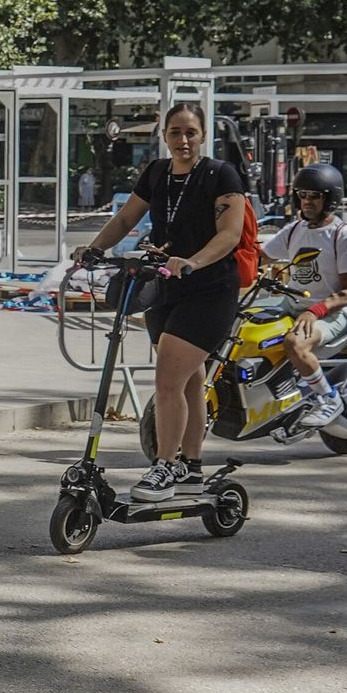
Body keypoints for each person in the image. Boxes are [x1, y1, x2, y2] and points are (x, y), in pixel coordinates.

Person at [76, 103, 246, 502]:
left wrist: (192, 261)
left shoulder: (220, 174)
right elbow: (125, 219)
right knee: (189, 382)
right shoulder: (156, 173)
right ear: (164, 135)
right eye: (175, 133)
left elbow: (230, 234)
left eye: (190, 132)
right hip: (165, 286)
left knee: (168, 380)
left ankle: (164, 466)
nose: (183, 140)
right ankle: (192, 467)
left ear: (203, 134)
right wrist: (95, 248)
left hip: (211, 288)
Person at [260, 164, 347, 427]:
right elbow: (259, 256)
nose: (306, 201)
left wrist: (314, 311)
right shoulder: (295, 229)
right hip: (293, 302)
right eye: (302, 194)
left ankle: (329, 398)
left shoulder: (344, 236)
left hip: (333, 310)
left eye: (315, 196)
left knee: (295, 343)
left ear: (330, 199)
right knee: (242, 322)